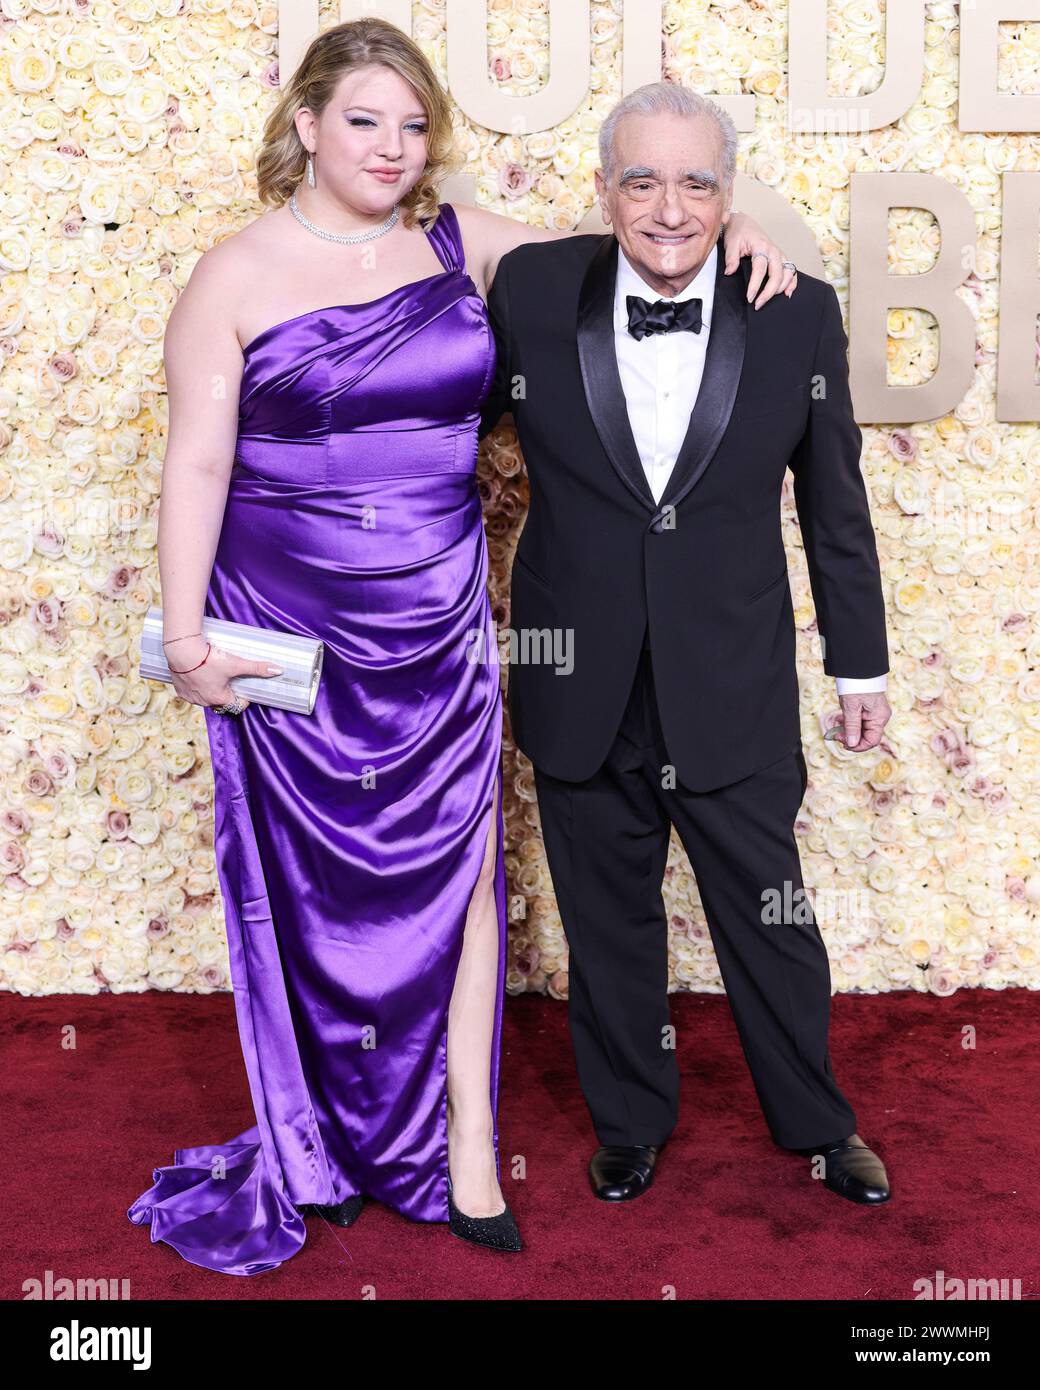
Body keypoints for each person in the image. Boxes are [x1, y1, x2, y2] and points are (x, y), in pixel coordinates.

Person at [127, 21, 798, 1276]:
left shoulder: (462, 243)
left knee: (460, 873)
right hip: (286, 618)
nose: (393, 147)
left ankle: (471, 1151)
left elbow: (636, 260)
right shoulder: (231, 274)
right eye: (366, 121)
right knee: (309, 891)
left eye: (414, 124)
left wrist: (741, 230)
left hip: (435, 618)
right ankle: (314, 1140)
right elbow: (198, 462)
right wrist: (185, 631)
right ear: (307, 126)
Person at [479, 81, 894, 1209]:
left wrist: (858, 662)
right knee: (604, 920)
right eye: (642, 179)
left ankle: (815, 1122)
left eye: (698, 182)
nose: (669, 207)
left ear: (731, 191)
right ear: (603, 188)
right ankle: (627, 1122)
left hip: (733, 674)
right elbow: (417, 262)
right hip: (578, 673)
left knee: (771, 916)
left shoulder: (795, 309)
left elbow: (833, 504)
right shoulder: (529, 285)